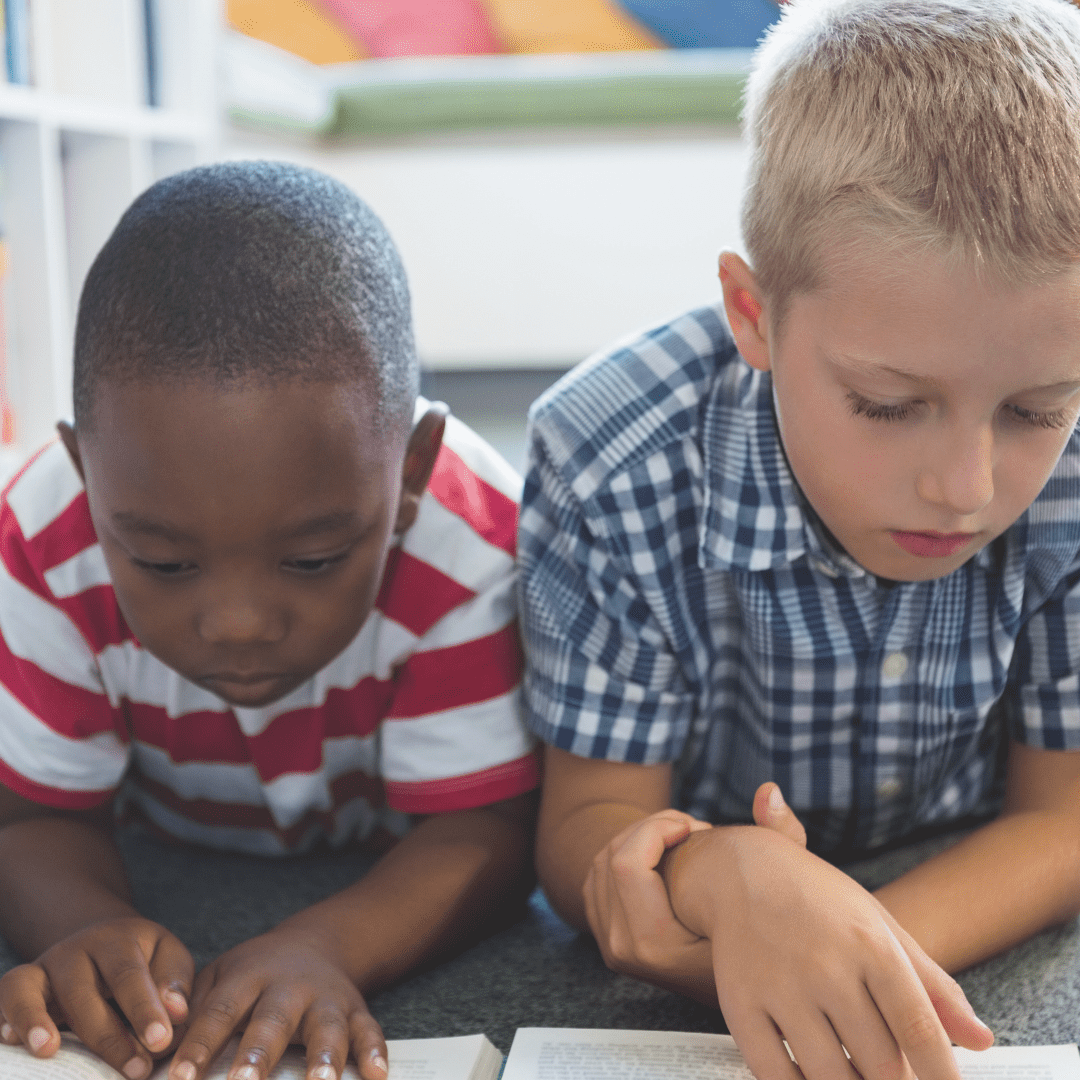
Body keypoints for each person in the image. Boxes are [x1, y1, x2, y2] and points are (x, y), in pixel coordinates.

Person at [518, 2, 1080, 1079]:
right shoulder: (608, 462)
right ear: (754, 314)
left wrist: (839, 942)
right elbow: (588, 820)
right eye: (885, 404)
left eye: (1035, 411)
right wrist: (726, 878)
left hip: (950, 855)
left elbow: (1065, 819)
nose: (964, 489)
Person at [0, 161, 538, 1080]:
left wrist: (328, 945)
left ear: (411, 472)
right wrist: (87, 926)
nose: (239, 623)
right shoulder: (40, 539)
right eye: (166, 563)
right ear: (85, 473)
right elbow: (29, 818)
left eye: (313, 558)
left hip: (384, 854)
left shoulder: (473, 540)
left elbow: (485, 832)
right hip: (156, 840)